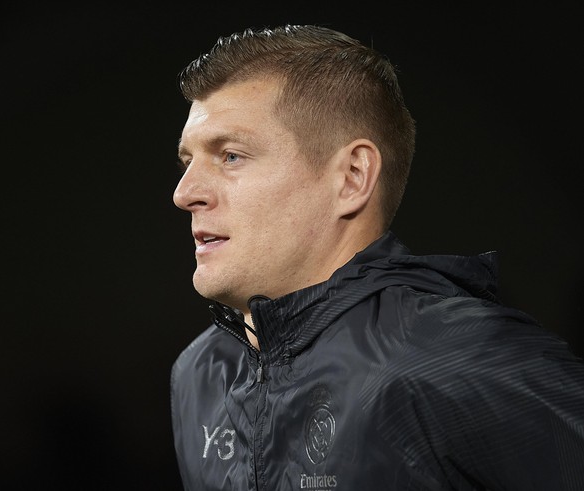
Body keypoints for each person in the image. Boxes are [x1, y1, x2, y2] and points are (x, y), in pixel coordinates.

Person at [169, 24, 584, 491]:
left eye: (230, 156)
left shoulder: (455, 355)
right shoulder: (199, 373)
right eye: (188, 163)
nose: (185, 194)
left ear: (351, 177)